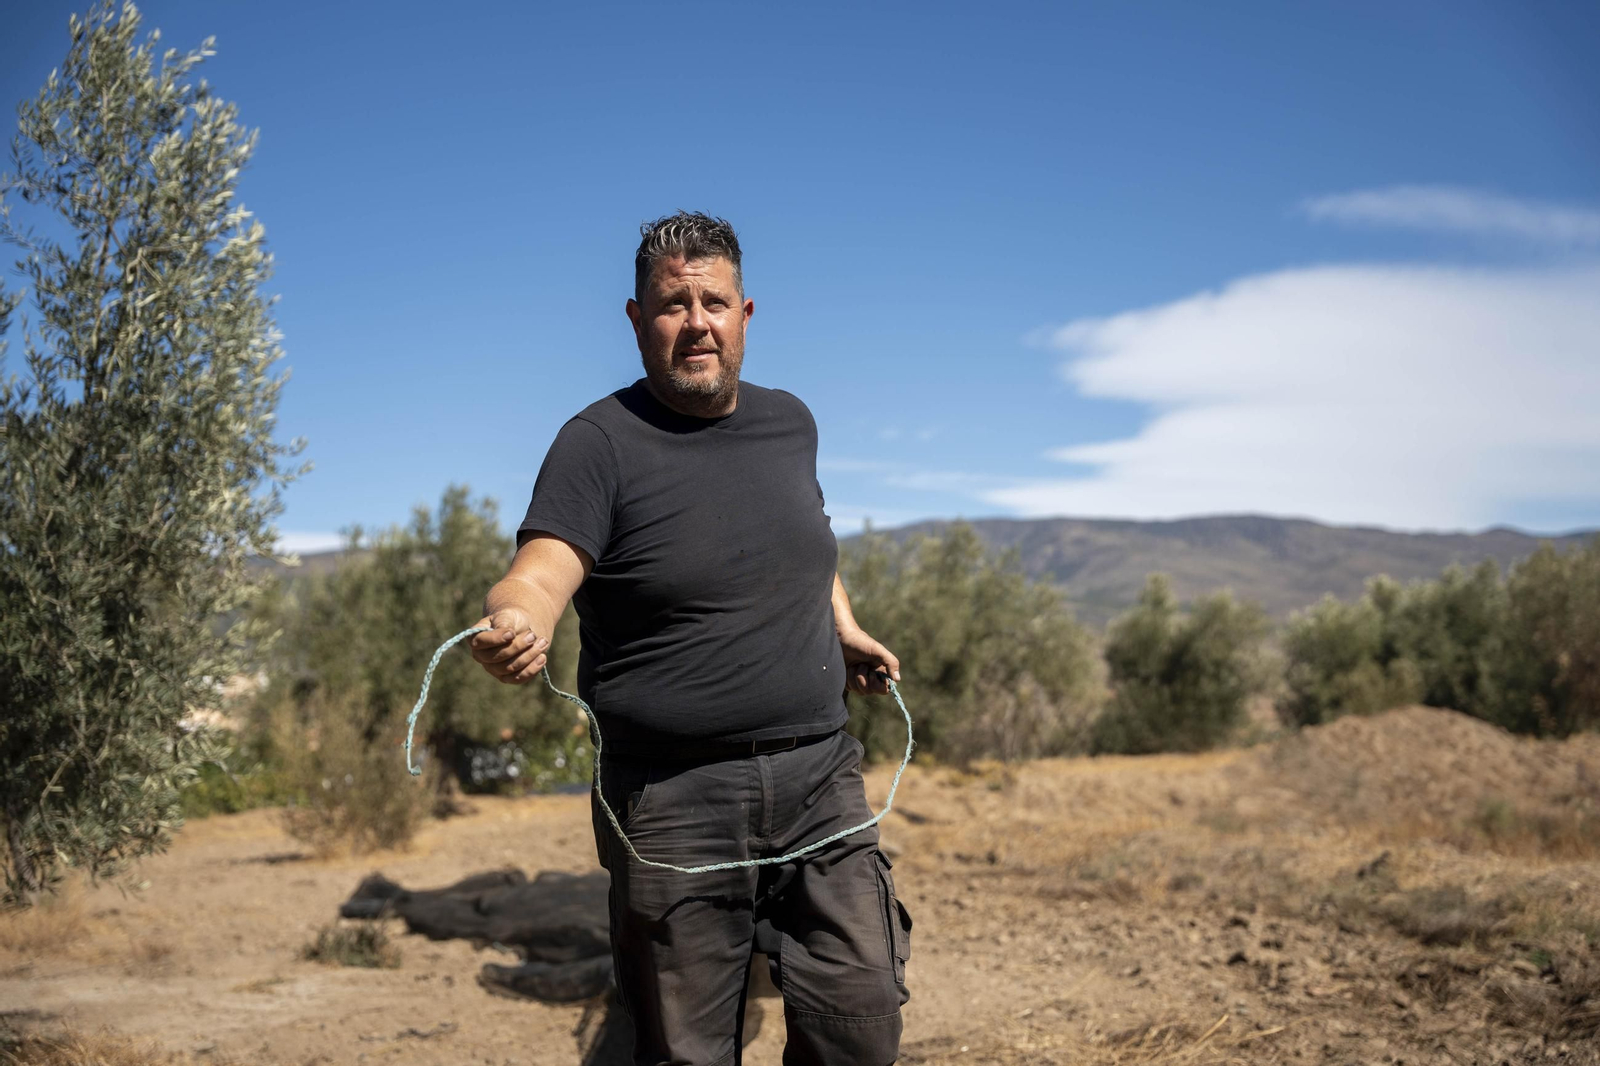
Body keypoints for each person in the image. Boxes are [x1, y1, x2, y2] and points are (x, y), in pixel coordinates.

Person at [469, 212, 913, 1066]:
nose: (697, 322)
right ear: (638, 320)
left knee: (860, 1015)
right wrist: (518, 618)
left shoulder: (791, 423)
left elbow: (805, 539)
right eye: (674, 305)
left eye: (714, 302)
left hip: (820, 775)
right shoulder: (597, 443)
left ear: (746, 313)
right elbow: (541, 568)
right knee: (687, 1051)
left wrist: (845, 627)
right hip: (670, 798)